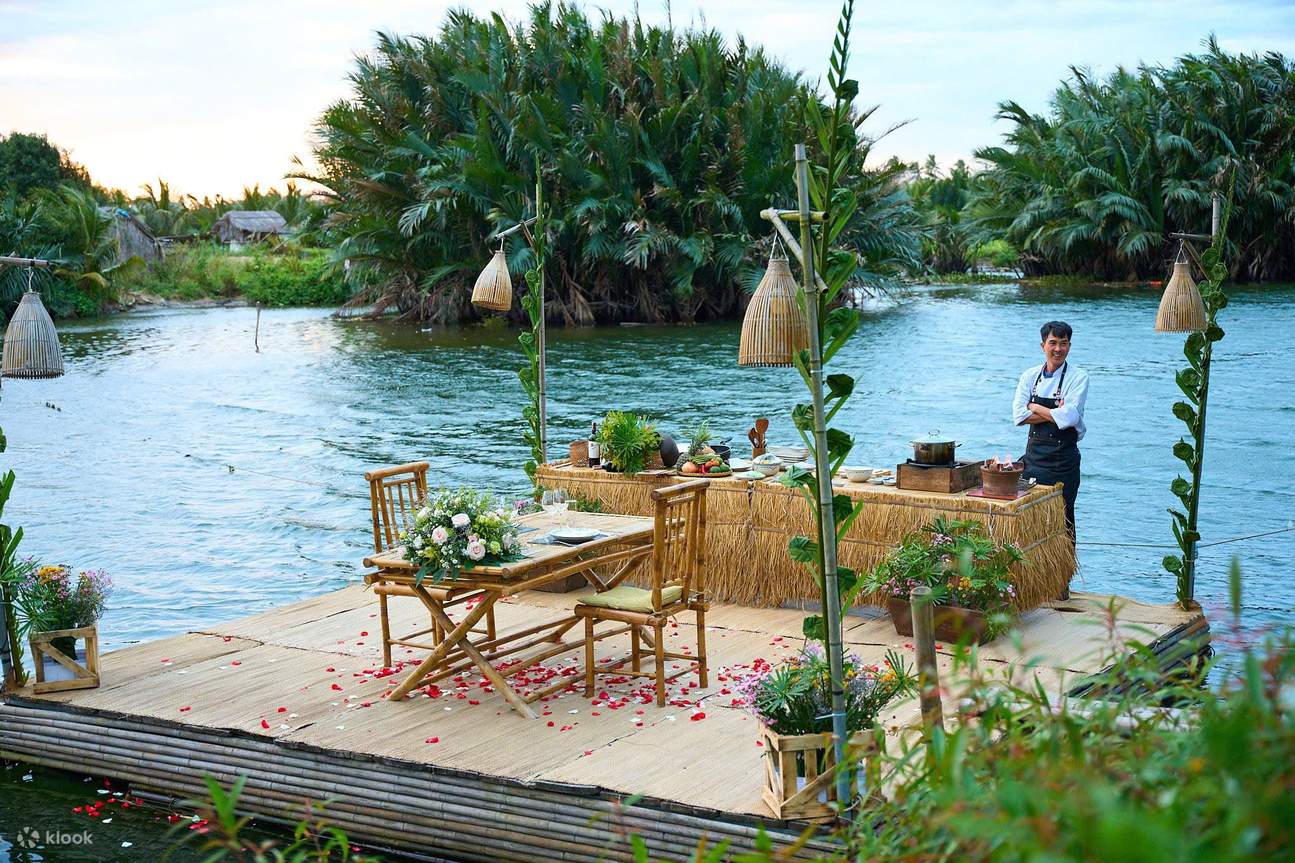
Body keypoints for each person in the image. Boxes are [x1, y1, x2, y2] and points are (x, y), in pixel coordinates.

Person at [1012, 321, 1088, 553]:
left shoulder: (1078, 377)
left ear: (1069, 346)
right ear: (1042, 345)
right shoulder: (1029, 376)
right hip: (1033, 461)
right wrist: (1055, 412)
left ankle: (1063, 581)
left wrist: (1034, 407)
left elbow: (1070, 418)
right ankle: (1034, 580)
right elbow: (1018, 416)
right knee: (1030, 519)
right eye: (1053, 343)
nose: (1058, 349)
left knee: (1064, 520)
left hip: (1064, 462)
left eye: (1063, 344)